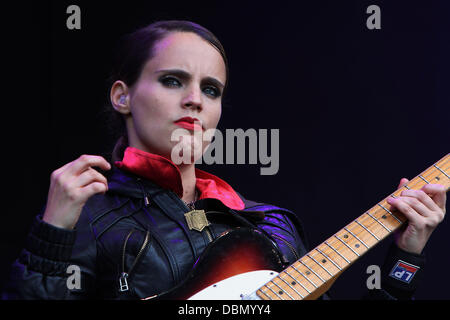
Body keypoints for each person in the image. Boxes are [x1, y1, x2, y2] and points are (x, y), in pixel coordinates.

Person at [1, 20, 446, 300]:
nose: (195, 100)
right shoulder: (84, 212)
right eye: (173, 80)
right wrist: (52, 235)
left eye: (211, 89)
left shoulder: (271, 225)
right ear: (123, 96)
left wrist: (405, 259)